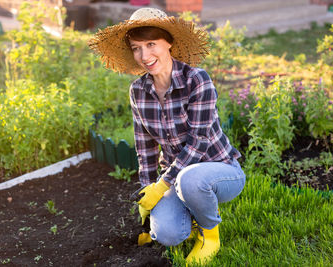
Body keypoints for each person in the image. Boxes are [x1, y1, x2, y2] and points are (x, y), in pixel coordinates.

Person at [88, 7, 246, 265]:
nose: (144, 55)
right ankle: (193, 217)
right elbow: (145, 147)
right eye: (137, 47)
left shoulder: (197, 80)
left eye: (151, 44)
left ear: (169, 43)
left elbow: (199, 142)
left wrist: (162, 185)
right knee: (167, 234)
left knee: (190, 179)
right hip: (176, 177)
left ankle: (210, 237)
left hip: (220, 170)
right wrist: (146, 192)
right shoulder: (138, 90)